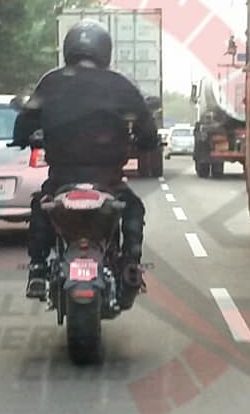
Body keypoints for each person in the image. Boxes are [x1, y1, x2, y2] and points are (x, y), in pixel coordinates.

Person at [12, 20, 158, 307]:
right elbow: (147, 128)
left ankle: (38, 268)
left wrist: (23, 138)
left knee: (41, 205)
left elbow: (24, 122)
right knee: (132, 207)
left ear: (69, 48)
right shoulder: (121, 84)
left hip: (62, 178)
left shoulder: (51, 81)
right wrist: (146, 143)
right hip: (107, 179)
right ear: (105, 50)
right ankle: (131, 265)